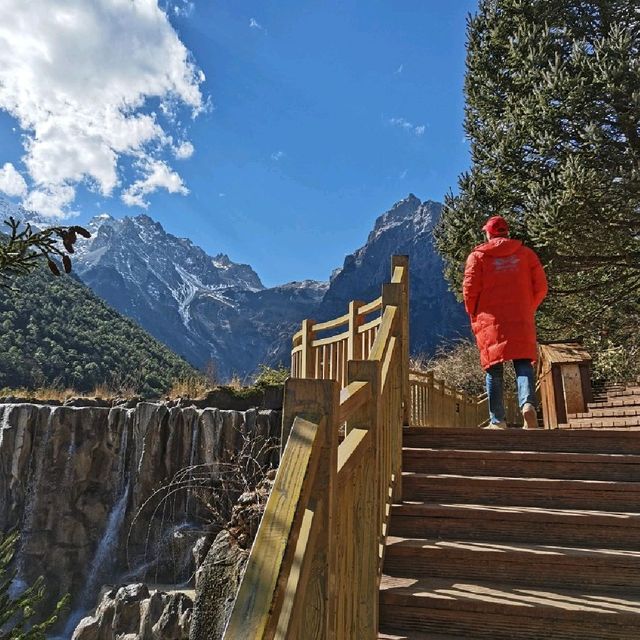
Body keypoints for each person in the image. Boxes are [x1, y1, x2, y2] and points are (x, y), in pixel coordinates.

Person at [463, 215, 548, 429]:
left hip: (490, 320)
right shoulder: (526, 254)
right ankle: (528, 405)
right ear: (506, 232)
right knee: (523, 363)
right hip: (520, 316)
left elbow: (469, 291)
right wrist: (528, 307)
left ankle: (498, 420)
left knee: (494, 368)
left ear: (489, 233)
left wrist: (473, 313)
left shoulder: (477, 257)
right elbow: (541, 287)